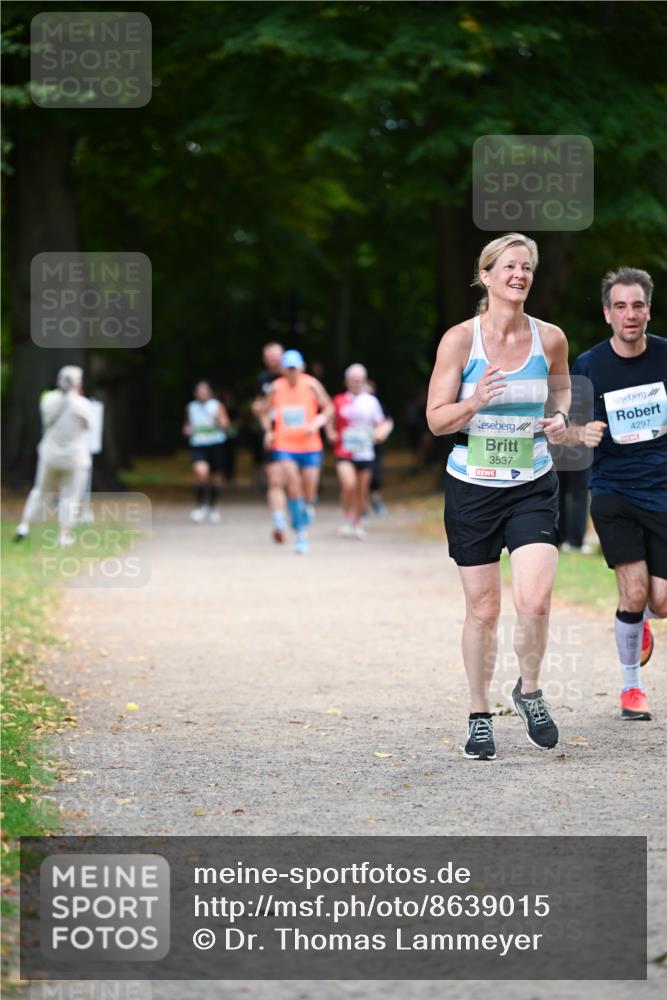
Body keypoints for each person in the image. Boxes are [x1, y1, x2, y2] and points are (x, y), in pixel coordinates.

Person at [426, 233, 571, 760]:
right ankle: (479, 714)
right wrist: (474, 402)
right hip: (473, 486)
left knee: (535, 600)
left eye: (526, 266)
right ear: (485, 276)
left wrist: (560, 418)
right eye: (509, 266)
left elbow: (562, 389)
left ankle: (529, 691)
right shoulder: (460, 341)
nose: (519, 274)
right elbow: (436, 419)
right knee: (484, 609)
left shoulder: (550, 338)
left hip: (532, 481)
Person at [569, 267, 666, 721]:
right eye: (621, 306)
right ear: (608, 314)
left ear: (649, 310)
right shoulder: (589, 365)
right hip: (613, 490)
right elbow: (565, 429)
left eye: (638, 305)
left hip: (662, 489)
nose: (630, 314)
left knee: (659, 601)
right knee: (633, 591)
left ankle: (642, 618)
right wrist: (581, 432)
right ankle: (631, 689)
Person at [258, 349, 333, 554]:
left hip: (310, 445)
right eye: (288, 369)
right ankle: (301, 534)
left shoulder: (311, 384)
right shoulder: (276, 387)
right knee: (293, 486)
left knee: (309, 491)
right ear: (283, 369)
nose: (291, 373)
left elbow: (328, 408)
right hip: (285, 444)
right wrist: (268, 431)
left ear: (301, 368)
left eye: (294, 368)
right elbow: (263, 411)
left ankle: (306, 510)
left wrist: (317, 422)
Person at [14, 366, 93, 546]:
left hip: (49, 454)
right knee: (70, 496)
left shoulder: (47, 399)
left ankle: (24, 525)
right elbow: (88, 426)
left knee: (39, 491)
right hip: (74, 456)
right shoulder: (82, 404)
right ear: (78, 383)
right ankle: (64, 534)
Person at [328, 364, 394, 540]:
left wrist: (380, 433)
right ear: (347, 381)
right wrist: (330, 432)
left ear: (364, 381)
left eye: (359, 380)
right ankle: (346, 518)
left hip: (365, 451)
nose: (356, 383)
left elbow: (382, 422)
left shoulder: (371, 401)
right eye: (353, 380)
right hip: (344, 451)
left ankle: (357, 523)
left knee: (361, 490)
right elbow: (329, 420)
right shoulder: (339, 400)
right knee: (348, 485)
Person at [251, 342, 288, 542]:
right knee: (274, 479)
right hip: (271, 434)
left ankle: (301, 510)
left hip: (296, 436)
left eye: (276, 355)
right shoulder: (262, 379)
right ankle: (279, 522)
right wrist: (257, 407)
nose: (273, 359)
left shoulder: (297, 377)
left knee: (293, 480)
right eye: (269, 356)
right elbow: (259, 402)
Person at [183, 381, 230, 523]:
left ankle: (212, 507)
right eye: (199, 390)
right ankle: (200, 505)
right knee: (201, 472)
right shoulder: (191, 407)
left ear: (210, 392)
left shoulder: (217, 405)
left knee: (216, 477)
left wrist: (219, 421)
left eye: (204, 390)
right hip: (198, 444)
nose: (202, 393)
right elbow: (187, 424)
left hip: (215, 443)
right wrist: (187, 429)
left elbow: (226, 425)